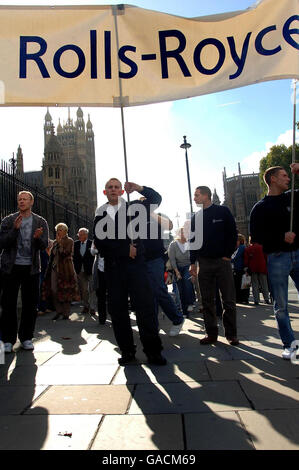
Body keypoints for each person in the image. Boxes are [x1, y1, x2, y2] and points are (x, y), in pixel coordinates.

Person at [93, 178, 166, 366]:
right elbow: (100, 242)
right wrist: (124, 250)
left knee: (145, 308)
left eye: (117, 187)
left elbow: (156, 199)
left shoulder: (134, 207)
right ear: (105, 192)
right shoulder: (101, 213)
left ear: (122, 191)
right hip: (114, 268)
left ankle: (153, 351)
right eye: (110, 187)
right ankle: (127, 351)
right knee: (118, 311)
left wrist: (139, 188)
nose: (114, 189)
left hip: (136, 266)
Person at [250, 164, 299, 360]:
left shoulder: (293, 197)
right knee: (281, 304)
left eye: (289, 175)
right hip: (277, 257)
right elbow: (257, 236)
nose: (288, 178)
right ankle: (289, 345)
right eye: (284, 175)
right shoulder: (260, 208)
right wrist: (281, 237)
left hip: (298, 253)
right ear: (273, 179)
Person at [189, 186, 239, 346]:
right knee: (207, 301)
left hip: (222, 262)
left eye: (197, 195)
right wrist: (192, 263)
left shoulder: (223, 211)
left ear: (206, 196)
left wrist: (227, 255)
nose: (194, 198)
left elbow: (233, 233)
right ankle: (211, 334)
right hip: (204, 263)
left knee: (228, 300)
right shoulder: (196, 217)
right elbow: (193, 242)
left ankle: (231, 334)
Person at [0, 191, 49, 353]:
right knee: (8, 304)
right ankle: (7, 340)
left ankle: (26, 337)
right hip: (11, 267)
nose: (21, 201)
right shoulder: (8, 220)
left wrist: (37, 238)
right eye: (19, 199)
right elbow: (3, 243)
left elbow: (44, 246)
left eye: (24, 199)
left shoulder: (40, 222)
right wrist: (15, 230)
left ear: (31, 202)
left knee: (30, 304)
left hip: (31, 268)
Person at [143, 209, 185, 335]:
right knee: (149, 294)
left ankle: (177, 319)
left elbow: (170, 225)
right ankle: (153, 324)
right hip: (141, 260)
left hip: (155, 259)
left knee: (159, 290)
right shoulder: (135, 218)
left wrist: (153, 214)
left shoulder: (158, 216)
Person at [43, 223, 79, 321]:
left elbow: (66, 254)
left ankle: (66, 313)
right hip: (54, 269)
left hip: (66, 270)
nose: (58, 232)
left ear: (65, 231)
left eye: (60, 230)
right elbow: (51, 255)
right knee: (54, 290)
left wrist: (60, 244)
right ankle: (58, 311)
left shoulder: (69, 241)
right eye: (57, 230)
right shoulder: (55, 242)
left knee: (66, 291)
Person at [168, 227, 195, 318]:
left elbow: (192, 258)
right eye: (183, 232)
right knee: (180, 289)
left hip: (188, 266)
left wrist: (193, 269)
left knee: (187, 283)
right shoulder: (173, 244)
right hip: (177, 267)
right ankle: (184, 311)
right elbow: (172, 260)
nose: (185, 234)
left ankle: (189, 304)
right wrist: (176, 271)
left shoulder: (189, 243)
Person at [73, 228, 96, 315]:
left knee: (92, 289)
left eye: (82, 234)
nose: (80, 236)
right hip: (80, 270)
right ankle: (86, 306)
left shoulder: (91, 243)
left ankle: (93, 307)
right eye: (79, 235)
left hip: (90, 270)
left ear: (86, 235)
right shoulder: (76, 244)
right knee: (84, 290)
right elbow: (74, 257)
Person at [244, 238, 270, 305]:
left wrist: (246, 268)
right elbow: (266, 257)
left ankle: (256, 300)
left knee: (255, 284)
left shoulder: (248, 249)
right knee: (264, 284)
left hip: (253, 268)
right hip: (262, 267)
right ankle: (266, 299)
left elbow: (246, 261)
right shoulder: (262, 247)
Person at [90, 242, 107, 325]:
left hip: (112, 269)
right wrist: (97, 249)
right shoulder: (96, 239)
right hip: (100, 270)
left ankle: (113, 314)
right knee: (100, 295)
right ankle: (102, 317)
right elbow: (92, 251)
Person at [231, 234, 250, 304]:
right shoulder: (241, 247)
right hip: (240, 267)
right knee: (242, 284)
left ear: (240, 241)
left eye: (236, 240)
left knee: (239, 284)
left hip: (239, 268)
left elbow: (235, 257)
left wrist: (229, 259)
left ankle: (240, 298)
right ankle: (242, 298)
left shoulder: (241, 247)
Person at [37, 239, 54, 315]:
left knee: (45, 291)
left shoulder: (48, 252)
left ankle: (45, 307)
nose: (50, 245)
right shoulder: (42, 251)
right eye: (49, 243)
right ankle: (41, 308)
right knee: (41, 291)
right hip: (41, 273)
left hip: (46, 274)